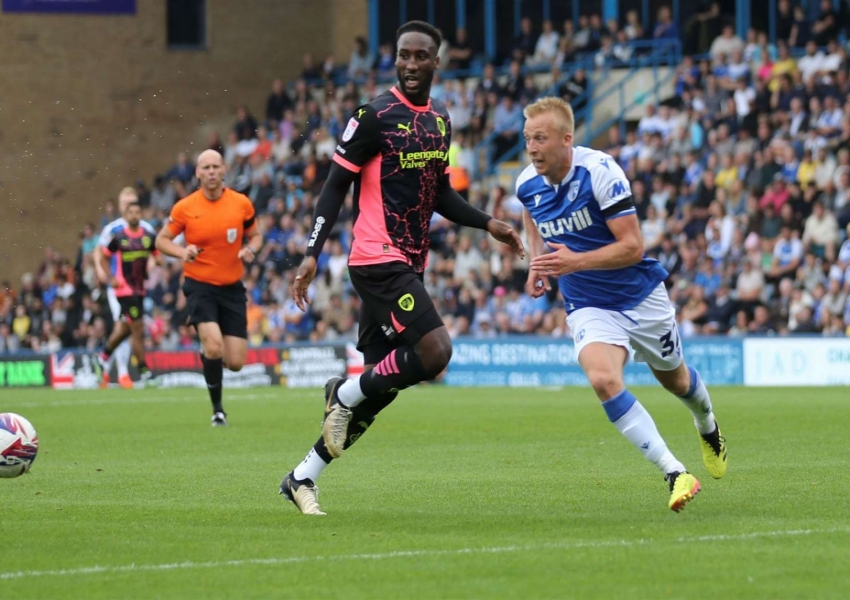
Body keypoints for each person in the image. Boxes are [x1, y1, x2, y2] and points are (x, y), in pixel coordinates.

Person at [281, 21, 525, 516]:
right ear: (395, 60)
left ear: (437, 62)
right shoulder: (373, 116)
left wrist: (488, 223)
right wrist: (311, 250)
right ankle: (341, 391)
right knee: (435, 353)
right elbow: (333, 186)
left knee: (381, 391)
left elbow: (441, 195)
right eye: (403, 55)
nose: (411, 64)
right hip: (376, 258)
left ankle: (302, 476)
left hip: (408, 261)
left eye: (420, 56)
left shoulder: (440, 120)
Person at [517, 97, 727, 512]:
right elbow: (530, 213)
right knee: (603, 380)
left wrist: (573, 261)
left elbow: (633, 247)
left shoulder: (601, 173)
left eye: (540, 138)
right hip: (589, 303)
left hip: (641, 297)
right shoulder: (527, 182)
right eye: (527, 139)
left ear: (566, 139)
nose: (532, 147)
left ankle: (708, 425)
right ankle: (674, 472)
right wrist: (535, 263)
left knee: (678, 382)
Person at [155, 150, 263, 426]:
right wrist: (182, 252)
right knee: (214, 347)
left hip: (232, 288)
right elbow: (162, 240)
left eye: (216, 166)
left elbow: (256, 235)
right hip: (199, 286)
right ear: (198, 173)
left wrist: (251, 249)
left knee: (236, 362)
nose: (212, 171)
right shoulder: (185, 207)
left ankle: (208, 354)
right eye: (206, 167)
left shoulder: (241, 203)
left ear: (224, 170)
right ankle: (218, 411)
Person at [96, 200, 159, 386]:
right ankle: (144, 371)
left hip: (139, 289)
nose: (134, 216)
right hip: (124, 289)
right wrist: (111, 277)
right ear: (125, 215)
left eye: (137, 212)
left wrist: (157, 262)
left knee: (125, 328)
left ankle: (103, 356)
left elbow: (157, 254)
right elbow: (103, 257)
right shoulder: (119, 237)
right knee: (137, 329)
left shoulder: (147, 237)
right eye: (130, 212)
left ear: (141, 214)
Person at [94, 187, 139, 389]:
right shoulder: (113, 229)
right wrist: (106, 275)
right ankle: (122, 374)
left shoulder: (144, 228)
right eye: (126, 203)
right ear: (121, 206)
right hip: (119, 288)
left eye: (133, 202)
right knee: (126, 324)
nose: (130, 206)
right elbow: (99, 253)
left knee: (126, 329)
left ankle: (102, 363)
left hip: (138, 288)